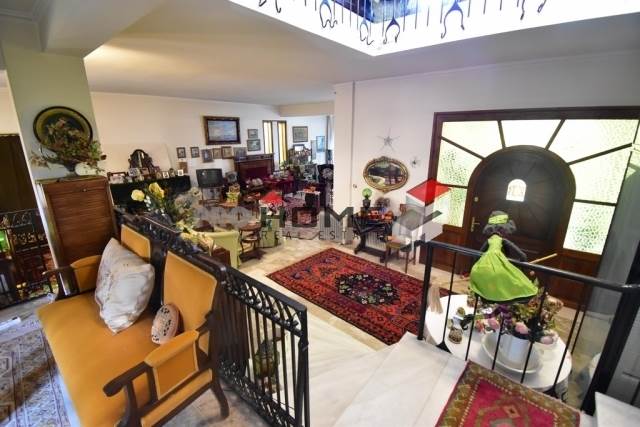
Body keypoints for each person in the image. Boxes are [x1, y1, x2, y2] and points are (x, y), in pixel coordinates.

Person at [469, 211, 538, 303]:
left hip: (484, 270)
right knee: (518, 285)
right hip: (498, 272)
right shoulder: (502, 240)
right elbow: (523, 255)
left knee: (487, 290)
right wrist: (525, 270)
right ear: (504, 228)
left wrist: (474, 268)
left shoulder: (489, 240)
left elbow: (478, 255)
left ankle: (487, 300)